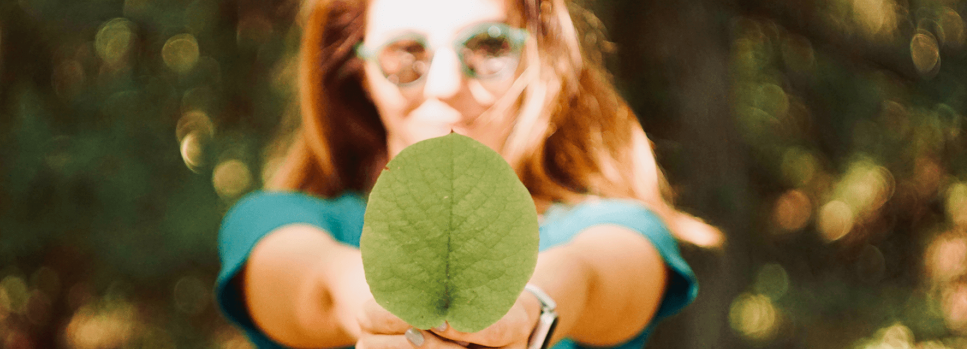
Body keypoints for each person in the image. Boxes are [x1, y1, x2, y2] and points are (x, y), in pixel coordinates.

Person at [215, 0, 722, 347]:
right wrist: (382, 307)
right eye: (405, 53)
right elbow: (314, 285)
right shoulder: (273, 220)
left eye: (488, 46)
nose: (446, 83)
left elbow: (595, 273)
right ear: (359, 72)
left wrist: (528, 309)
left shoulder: (614, 227)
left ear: (536, 58)